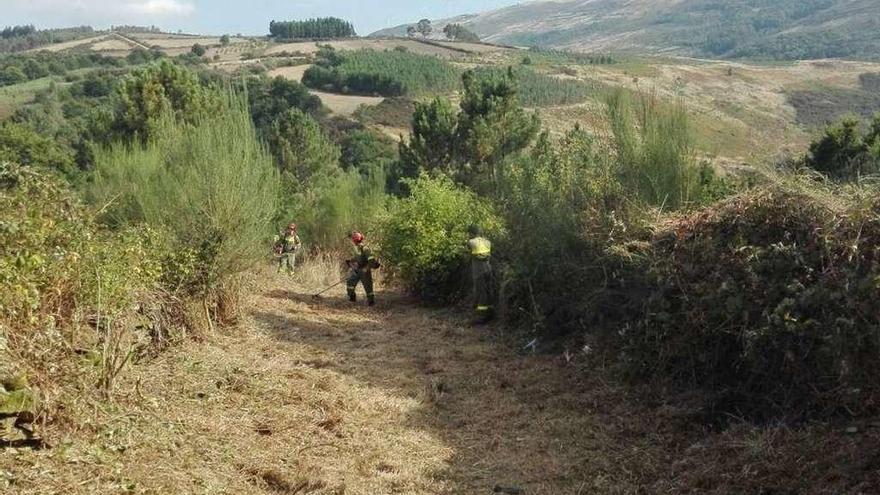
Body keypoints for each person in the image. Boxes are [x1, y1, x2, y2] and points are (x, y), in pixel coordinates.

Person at [467, 224, 493, 323]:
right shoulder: (487, 242)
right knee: (489, 291)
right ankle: (490, 312)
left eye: (469, 233)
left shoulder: (471, 242)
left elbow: (470, 249)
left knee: (481, 294)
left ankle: (482, 317)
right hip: (488, 270)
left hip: (478, 272)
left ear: (472, 233)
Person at [346, 231, 378, 306]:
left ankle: (371, 302)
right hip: (358, 269)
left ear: (356, 240)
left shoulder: (365, 249)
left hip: (365, 270)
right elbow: (358, 257)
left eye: (353, 240)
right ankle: (352, 297)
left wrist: (366, 269)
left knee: (368, 287)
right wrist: (351, 260)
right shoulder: (357, 248)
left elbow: (371, 260)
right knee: (350, 282)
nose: (353, 242)